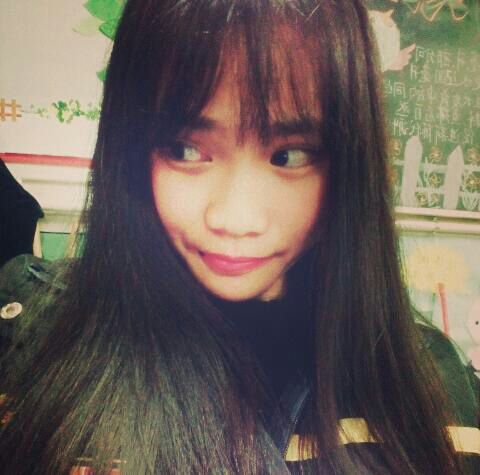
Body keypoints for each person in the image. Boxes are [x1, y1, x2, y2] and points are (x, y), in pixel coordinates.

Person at [0, 0, 478, 473]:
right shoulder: (30, 334)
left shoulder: (428, 386)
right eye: (185, 150)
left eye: (289, 156)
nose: (235, 219)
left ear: (349, 162)